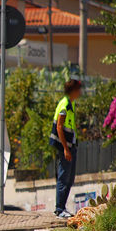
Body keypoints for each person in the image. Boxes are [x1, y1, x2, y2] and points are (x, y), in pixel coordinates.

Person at [49, 79, 82, 218]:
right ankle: (59, 209)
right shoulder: (65, 104)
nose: (80, 92)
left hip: (70, 145)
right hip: (65, 147)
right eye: (78, 89)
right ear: (73, 90)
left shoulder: (71, 103)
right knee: (63, 177)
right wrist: (65, 148)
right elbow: (59, 127)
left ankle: (62, 207)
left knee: (69, 178)